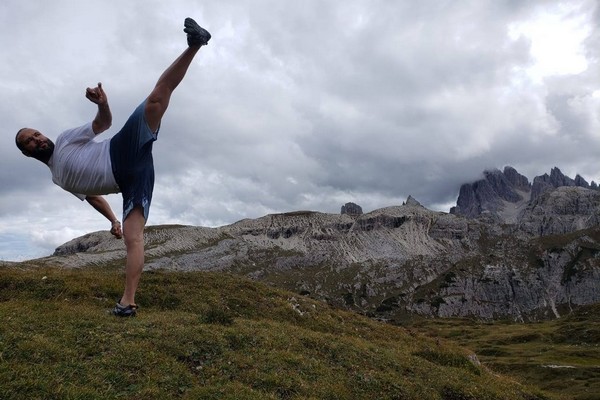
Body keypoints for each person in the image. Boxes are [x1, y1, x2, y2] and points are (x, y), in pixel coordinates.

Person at [15, 18, 211, 317]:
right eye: (30, 141)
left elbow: (103, 124)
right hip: (133, 180)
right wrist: (112, 221)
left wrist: (101, 103)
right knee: (133, 238)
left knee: (154, 101)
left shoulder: (66, 139)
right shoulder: (58, 178)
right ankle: (128, 302)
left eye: (37, 133)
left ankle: (195, 44)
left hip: (121, 150)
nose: (38, 139)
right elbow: (92, 196)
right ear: (27, 153)